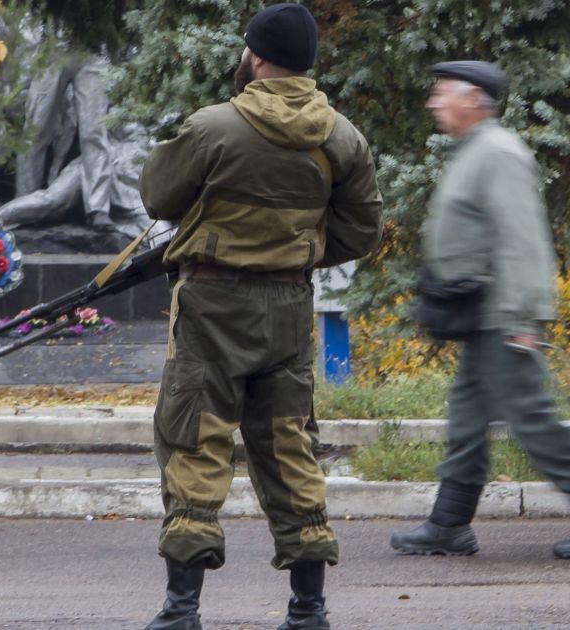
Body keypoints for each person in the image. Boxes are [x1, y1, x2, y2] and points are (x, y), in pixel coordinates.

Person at [137, 5, 383, 630]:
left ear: (256, 55)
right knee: (289, 446)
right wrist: (292, 251)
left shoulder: (213, 126)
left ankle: (180, 610)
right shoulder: (342, 137)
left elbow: (159, 199)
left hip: (212, 306)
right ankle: (308, 611)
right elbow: (361, 231)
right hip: (287, 307)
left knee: (195, 440)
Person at [389, 60, 570, 560]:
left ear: (474, 99)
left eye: (442, 94)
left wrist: (526, 318)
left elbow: (522, 240)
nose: (433, 103)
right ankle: (449, 525)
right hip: (481, 316)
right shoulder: (475, 151)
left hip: (504, 316)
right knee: (466, 420)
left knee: (532, 421)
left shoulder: (499, 153)